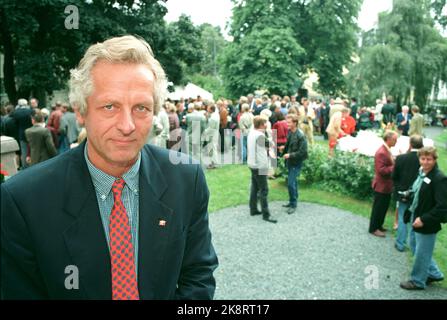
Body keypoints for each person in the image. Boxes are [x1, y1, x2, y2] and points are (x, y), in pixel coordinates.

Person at [1, 35, 218, 300]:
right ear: (81, 111)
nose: (127, 125)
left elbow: (197, 274)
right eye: (110, 106)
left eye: (141, 108)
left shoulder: (186, 179)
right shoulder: (23, 200)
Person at [400, 147, 446, 290]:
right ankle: (434, 273)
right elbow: (419, 191)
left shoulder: (439, 178)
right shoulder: (422, 173)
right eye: (423, 159)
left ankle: (417, 281)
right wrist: (409, 194)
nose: (425, 162)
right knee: (413, 245)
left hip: (427, 221)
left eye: (429, 159)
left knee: (422, 252)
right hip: (416, 215)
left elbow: (443, 206)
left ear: (435, 159)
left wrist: (424, 219)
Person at [392, 135, 424, 252]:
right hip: (418, 194)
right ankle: (413, 246)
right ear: (422, 145)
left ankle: (400, 243)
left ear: (410, 144)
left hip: (402, 193)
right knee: (415, 219)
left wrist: (400, 189)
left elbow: (394, 176)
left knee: (402, 218)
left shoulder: (401, 158)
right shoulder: (424, 160)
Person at [247, 116, 277, 223]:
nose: (266, 125)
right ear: (261, 124)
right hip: (260, 165)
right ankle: (266, 214)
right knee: (264, 190)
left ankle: (253, 209)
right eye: (264, 123)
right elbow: (270, 145)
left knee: (255, 188)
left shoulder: (252, 133)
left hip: (252, 164)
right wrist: (268, 134)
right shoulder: (260, 135)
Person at [368, 131, 398, 237]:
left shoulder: (387, 150)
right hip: (381, 186)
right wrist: (395, 166)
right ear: (388, 139)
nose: (396, 141)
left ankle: (379, 225)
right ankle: (373, 228)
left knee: (383, 207)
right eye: (395, 139)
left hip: (386, 186)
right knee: (378, 208)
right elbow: (381, 170)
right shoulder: (382, 152)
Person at [279, 114, 308, 214]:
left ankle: (293, 204)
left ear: (295, 123)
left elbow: (303, 152)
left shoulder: (301, 135)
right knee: (293, 183)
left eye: (289, 122)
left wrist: (290, 155)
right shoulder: (290, 132)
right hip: (290, 161)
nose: (287, 124)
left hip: (296, 162)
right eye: (287, 122)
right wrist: (283, 149)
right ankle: (292, 202)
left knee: (291, 183)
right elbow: (289, 144)